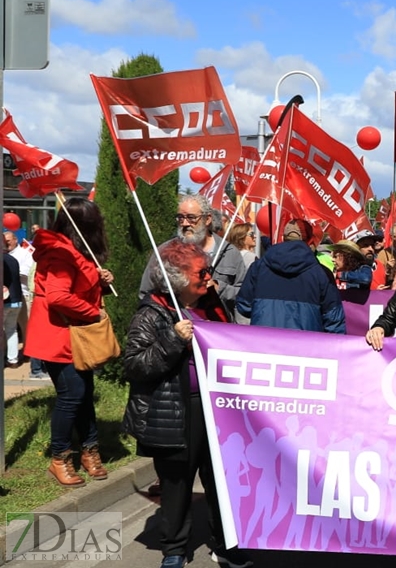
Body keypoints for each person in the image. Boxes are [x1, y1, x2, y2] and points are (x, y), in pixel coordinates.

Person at [122, 239, 252, 568]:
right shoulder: (151, 315)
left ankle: (226, 544)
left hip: (215, 409)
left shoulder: (211, 307)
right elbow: (135, 365)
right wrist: (172, 340)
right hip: (175, 413)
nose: (209, 279)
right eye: (202, 273)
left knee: (220, 481)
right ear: (178, 279)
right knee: (177, 485)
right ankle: (175, 549)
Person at [24, 198, 115, 487]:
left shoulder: (73, 250)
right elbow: (58, 296)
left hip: (72, 334)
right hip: (58, 335)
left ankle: (89, 451)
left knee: (84, 393)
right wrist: (93, 312)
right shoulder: (61, 253)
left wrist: (101, 282)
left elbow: (77, 286)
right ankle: (59, 457)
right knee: (72, 394)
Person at [140, 195, 246, 315]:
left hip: (216, 329)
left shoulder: (229, 253)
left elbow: (245, 296)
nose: (185, 223)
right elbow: (146, 293)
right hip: (175, 328)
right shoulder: (165, 252)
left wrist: (219, 288)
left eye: (191, 217)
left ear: (207, 219)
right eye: (180, 217)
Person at [236, 220, 346, 334]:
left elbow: (244, 306)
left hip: (265, 341)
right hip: (305, 345)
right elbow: (334, 320)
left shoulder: (258, 267)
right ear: (310, 241)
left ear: (283, 238)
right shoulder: (322, 273)